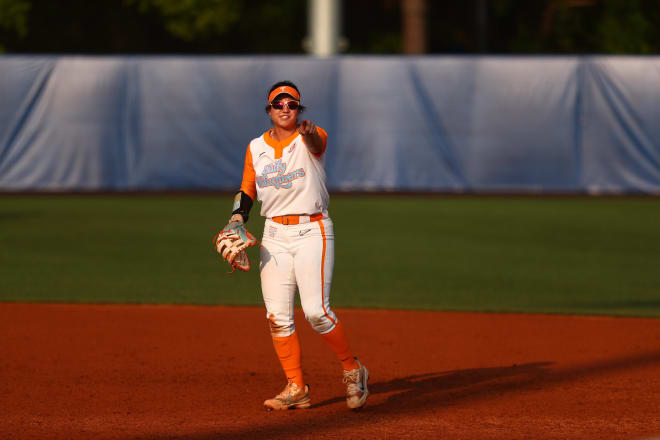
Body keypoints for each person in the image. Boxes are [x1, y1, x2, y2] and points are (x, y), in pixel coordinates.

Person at [227, 80, 369, 410]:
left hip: (312, 231)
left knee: (317, 312)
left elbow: (318, 142)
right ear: (269, 109)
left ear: (299, 109)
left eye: (292, 104)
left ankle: (353, 370)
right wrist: (237, 218)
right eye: (279, 103)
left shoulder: (310, 136)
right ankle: (296, 387)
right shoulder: (256, 147)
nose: (286, 108)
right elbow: (247, 189)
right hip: (275, 234)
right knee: (277, 315)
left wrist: (308, 133)